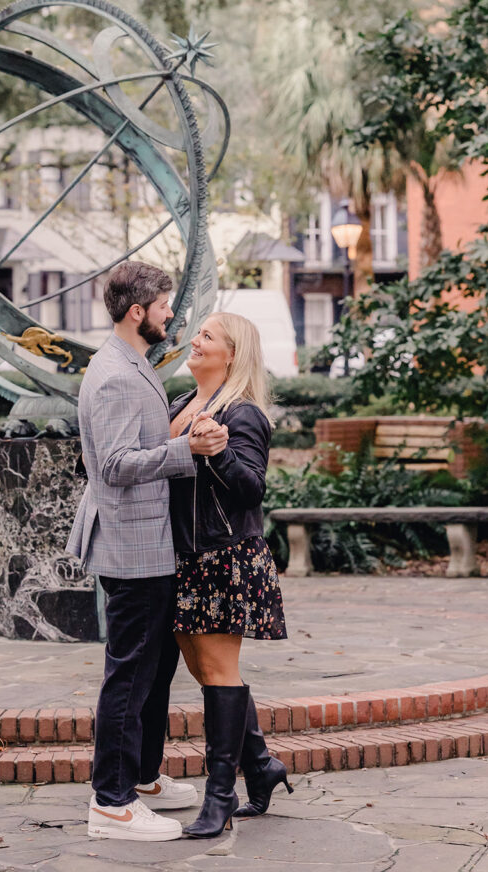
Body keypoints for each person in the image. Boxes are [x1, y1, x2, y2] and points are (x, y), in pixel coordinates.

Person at [67, 261, 229, 843]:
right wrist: (187, 451)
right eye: (163, 306)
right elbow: (113, 465)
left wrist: (183, 435)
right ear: (137, 312)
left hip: (148, 542)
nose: (171, 315)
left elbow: (133, 444)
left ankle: (141, 777)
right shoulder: (114, 374)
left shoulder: (132, 362)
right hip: (131, 546)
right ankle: (111, 804)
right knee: (131, 676)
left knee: (154, 671)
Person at [168, 311, 290, 839]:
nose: (194, 340)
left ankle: (220, 795)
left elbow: (252, 489)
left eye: (207, 335)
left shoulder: (242, 413)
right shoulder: (180, 404)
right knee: (203, 668)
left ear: (232, 354)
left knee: (218, 671)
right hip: (183, 557)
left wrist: (219, 452)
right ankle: (260, 764)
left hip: (223, 558)